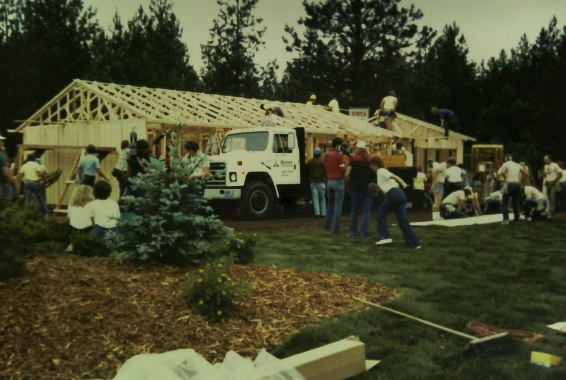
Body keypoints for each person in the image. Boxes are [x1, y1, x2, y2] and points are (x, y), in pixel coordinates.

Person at [369, 155, 420, 249]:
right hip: (400, 195)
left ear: (375, 164)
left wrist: (403, 183)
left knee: (380, 214)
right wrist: (375, 187)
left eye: (371, 165)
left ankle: (385, 237)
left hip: (394, 194)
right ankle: (414, 243)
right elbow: (386, 184)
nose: (370, 167)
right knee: (403, 221)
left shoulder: (381, 171)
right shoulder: (383, 171)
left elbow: (394, 176)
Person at [345, 141, 373, 238]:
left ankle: (353, 231)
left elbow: (347, 174)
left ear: (358, 149)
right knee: (366, 211)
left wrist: (348, 186)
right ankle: (364, 234)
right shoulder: (370, 158)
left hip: (356, 188)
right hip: (368, 187)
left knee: (354, 211)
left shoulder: (353, 159)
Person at [323, 137, 346, 234]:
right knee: (338, 206)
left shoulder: (325, 154)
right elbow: (342, 169)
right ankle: (336, 229)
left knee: (330, 206)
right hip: (338, 180)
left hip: (329, 180)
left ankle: (326, 227)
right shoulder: (339, 155)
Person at [498, 155, 528, 224]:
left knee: (504, 202)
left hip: (509, 184)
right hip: (517, 184)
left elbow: (502, 172)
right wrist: (520, 181)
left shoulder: (505, 164)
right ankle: (517, 219)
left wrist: (505, 178)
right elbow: (526, 173)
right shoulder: (517, 165)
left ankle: (506, 219)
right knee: (515, 202)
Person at [539, 154, 562, 220]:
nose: (545, 161)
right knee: (548, 198)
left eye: (546, 160)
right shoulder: (546, 166)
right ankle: (549, 212)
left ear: (550, 159)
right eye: (544, 160)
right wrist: (541, 175)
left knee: (552, 197)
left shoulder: (555, 165)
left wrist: (554, 181)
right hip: (548, 183)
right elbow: (546, 173)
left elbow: (560, 174)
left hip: (553, 183)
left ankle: (551, 213)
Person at [306, 147, 326, 218]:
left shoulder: (310, 161)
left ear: (314, 153)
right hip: (321, 183)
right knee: (322, 199)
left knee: (315, 199)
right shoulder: (322, 162)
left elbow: (306, 169)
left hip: (313, 183)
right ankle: (323, 213)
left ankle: (317, 213)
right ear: (320, 154)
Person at [0, 134, 18, 200]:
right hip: (2, 185)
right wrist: (16, 187)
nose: (2, 143)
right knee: (6, 204)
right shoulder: (1, 156)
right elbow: (7, 174)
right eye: (1, 141)